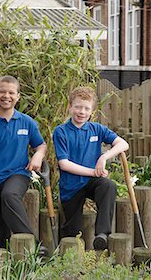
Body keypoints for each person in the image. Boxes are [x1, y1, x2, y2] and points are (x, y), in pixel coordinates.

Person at [0, 75, 47, 253]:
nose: (7, 96)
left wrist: (38, 155)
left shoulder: (27, 122)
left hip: (18, 174)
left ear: (18, 96)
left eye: (11, 92)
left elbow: (41, 145)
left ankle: (34, 247)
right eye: (2, 91)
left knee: (9, 195)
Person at [53, 86, 129, 250]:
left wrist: (104, 156)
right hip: (71, 186)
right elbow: (64, 164)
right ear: (70, 107)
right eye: (78, 107)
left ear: (92, 111)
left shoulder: (97, 129)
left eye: (86, 108)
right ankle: (65, 261)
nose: (82, 112)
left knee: (108, 185)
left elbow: (123, 143)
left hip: (92, 183)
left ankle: (102, 234)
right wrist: (94, 171)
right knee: (71, 232)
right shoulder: (61, 131)